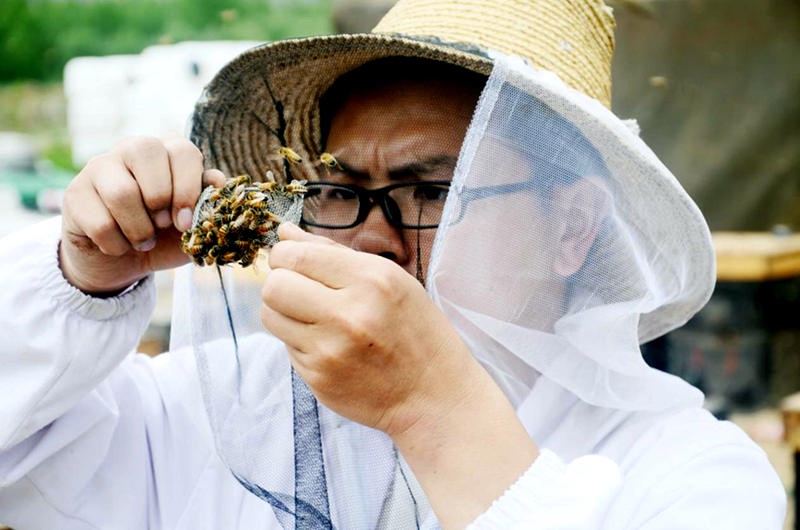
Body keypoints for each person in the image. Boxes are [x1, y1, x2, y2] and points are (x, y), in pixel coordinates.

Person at [0, 0, 787, 528]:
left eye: (431, 189)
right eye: (339, 190)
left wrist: (431, 412)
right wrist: (82, 279)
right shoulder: (228, 407)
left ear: (572, 226)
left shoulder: (690, 473)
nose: (370, 239)